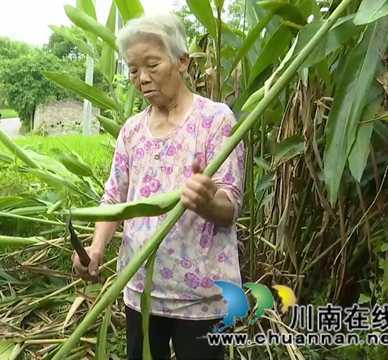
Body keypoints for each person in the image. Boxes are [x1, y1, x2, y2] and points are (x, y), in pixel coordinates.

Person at [71, 13, 245, 360]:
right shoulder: (132, 131)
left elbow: (230, 205)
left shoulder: (215, 120)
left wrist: (207, 202)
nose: (142, 78)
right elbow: (113, 198)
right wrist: (96, 248)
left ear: (182, 61)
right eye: (134, 70)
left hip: (201, 299)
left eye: (152, 64)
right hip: (141, 291)